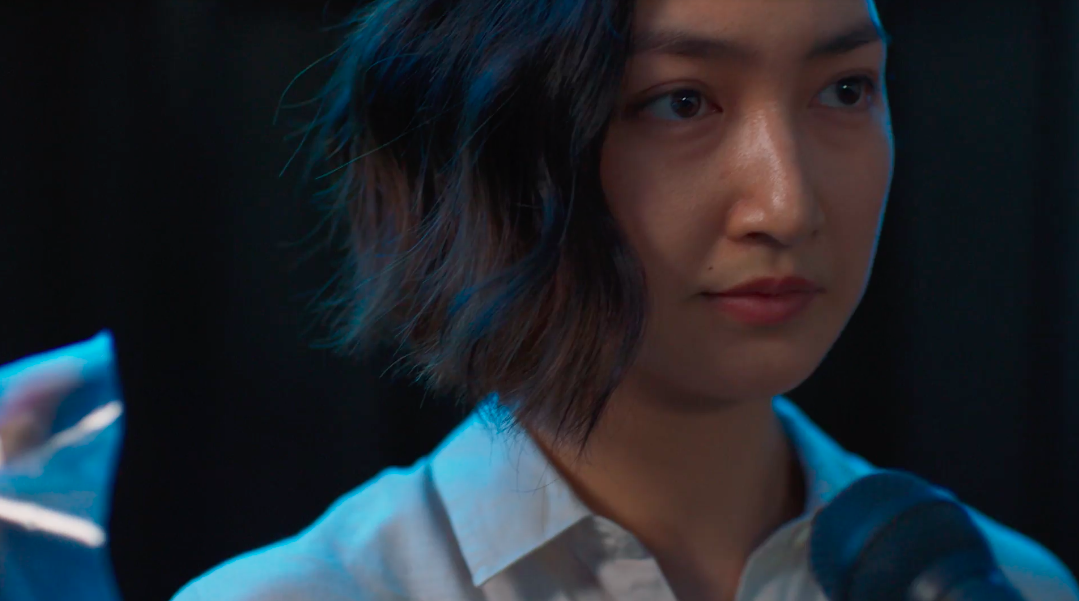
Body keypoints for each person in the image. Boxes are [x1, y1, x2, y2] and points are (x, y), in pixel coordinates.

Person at [162, 0, 1074, 598]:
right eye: (680, 102)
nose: (787, 205)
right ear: (496, 146)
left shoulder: (997, 582)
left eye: (845, 89)